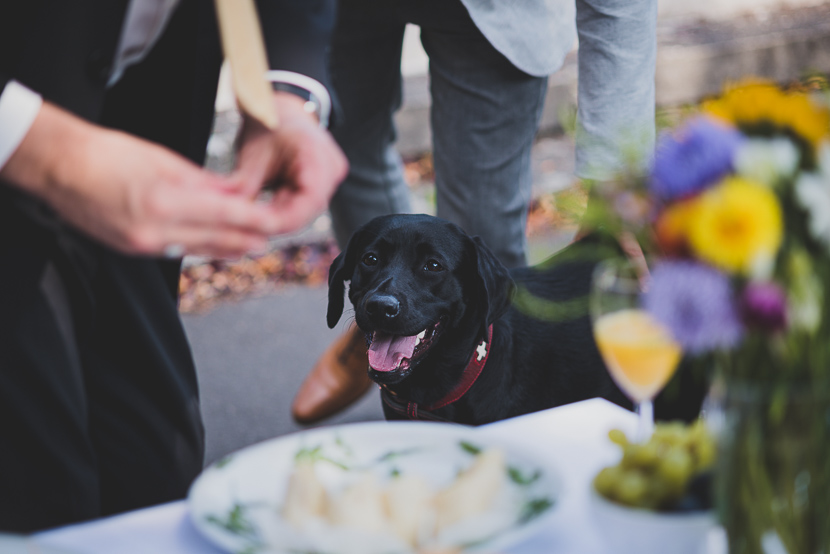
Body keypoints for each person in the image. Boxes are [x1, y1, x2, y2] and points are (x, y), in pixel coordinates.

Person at [0, 0, 346, 533]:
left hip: (146, 125)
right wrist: (45, 150)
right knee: (40, 489)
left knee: (155, 462)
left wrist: (284, 94)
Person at [291, 0, 658, 423]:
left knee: (485, 235)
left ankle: (487, 398)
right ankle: (385, 334)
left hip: (492, 13)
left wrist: (613, 181)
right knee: (339, 157)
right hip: (341, 8)